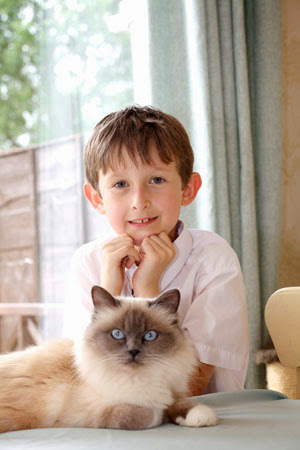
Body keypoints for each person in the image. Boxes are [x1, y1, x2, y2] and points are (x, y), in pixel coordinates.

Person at [64, 105, 249, 395]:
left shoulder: (213, 258)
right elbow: (81, 381)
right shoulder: (87, 262)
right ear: (97, 198)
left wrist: (149, 290)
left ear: (188, 188)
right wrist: (109, 294)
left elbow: (190, 386)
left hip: (200, 423)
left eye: (157, 180)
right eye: (121, 184)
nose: (139, 200)